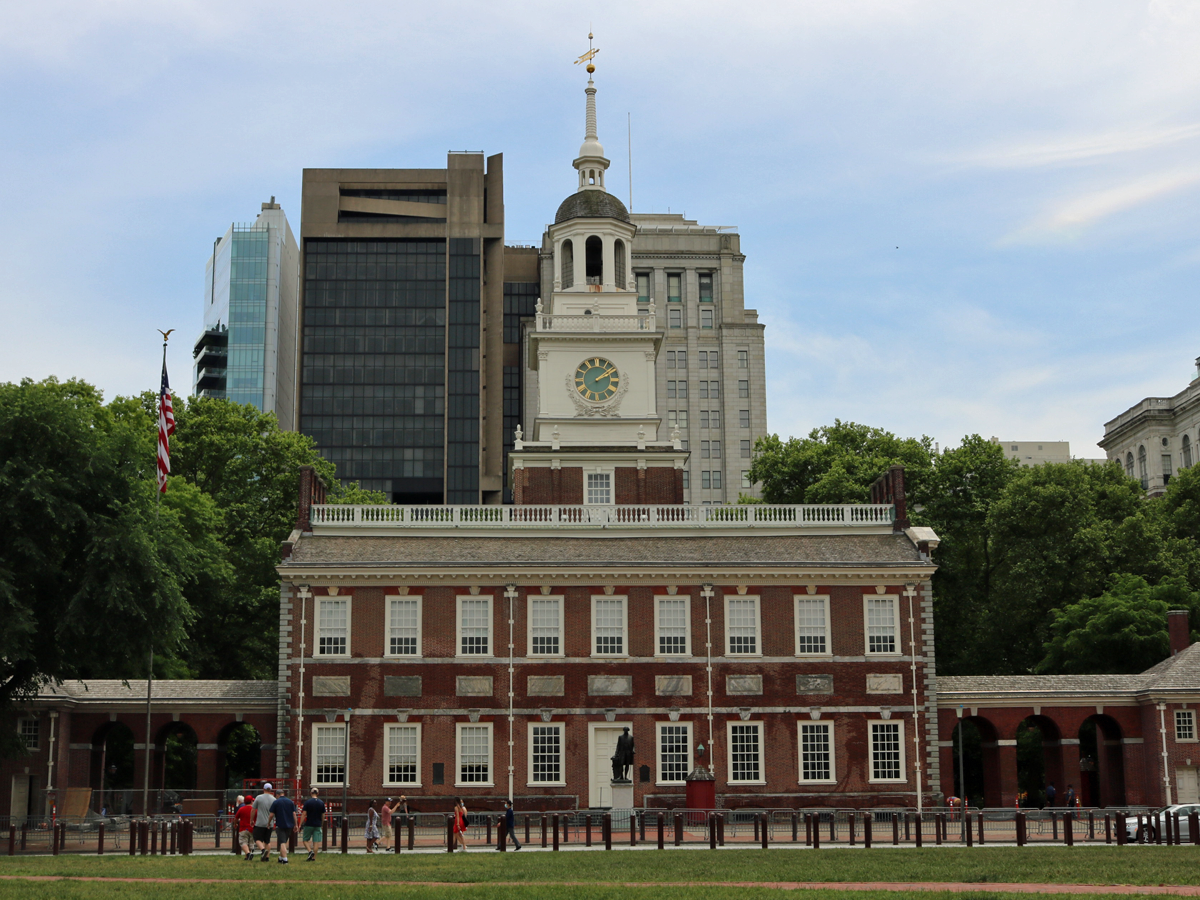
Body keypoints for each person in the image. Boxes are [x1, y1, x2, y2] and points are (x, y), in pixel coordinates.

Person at [268, 789, 297, 865]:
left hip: (280, 824)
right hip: (289, 825)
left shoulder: (276, 802)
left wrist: (268, 823)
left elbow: (271, 815)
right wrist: (296, 824)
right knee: (284, 841)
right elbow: (294, 814)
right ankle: (281, 857)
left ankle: (285, 859)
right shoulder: (290, 802)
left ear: (277, 795)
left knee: (282, 842)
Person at [299, 788, 325, 862]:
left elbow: (304, 814)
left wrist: (300, 824)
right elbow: (323, 815)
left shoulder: (307, 802)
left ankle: (310, 851)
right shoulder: (321, 803)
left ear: (310, 793)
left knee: (305, 840)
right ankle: (314, 858)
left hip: (309, 824)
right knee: (316, 842)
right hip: (318, 825)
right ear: (318, 793)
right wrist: (322, 823)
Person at [252, 784, 275, 862]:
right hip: (270, 823)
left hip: (260, 822)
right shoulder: (274, 799)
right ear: (271, 790)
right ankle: (267, 857)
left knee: (257, 838)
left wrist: (251, 820)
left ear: (263, 789)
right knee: (267, 840)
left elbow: (253, 809)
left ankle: (262, 850)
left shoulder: (259, 797)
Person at [234, 794, 255, 861]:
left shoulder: (241, 809)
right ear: (251, 801)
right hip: (252, 828)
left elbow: (236, 818)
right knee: (251, 842)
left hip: (243, 828)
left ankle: (248, 854)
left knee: (243, 842)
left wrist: (235, 824)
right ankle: (248, 855)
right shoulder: (254, 809)